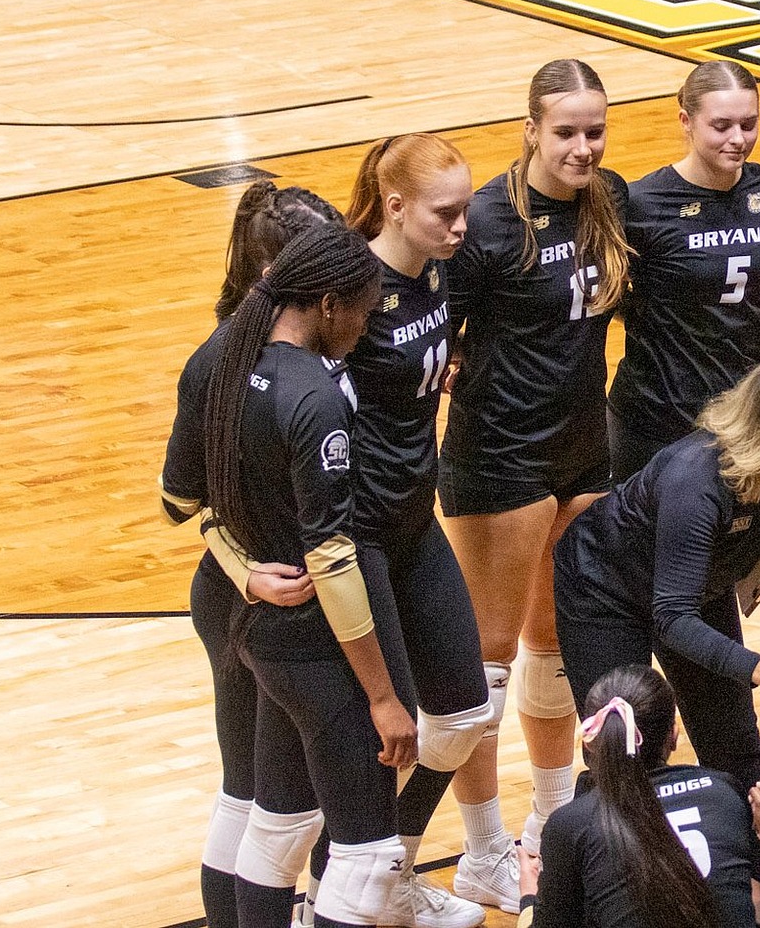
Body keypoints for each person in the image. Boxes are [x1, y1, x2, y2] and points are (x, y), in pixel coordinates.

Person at [439, 58, 633, 909]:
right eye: (566, 133)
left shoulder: (609, 199)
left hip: (581, 451)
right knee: (483, 663)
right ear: (530, 130)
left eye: (595, 131)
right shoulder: (485, 222)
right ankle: (481, 849)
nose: (583, 148)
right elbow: (433, 341)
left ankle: (551, 825)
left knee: (554, 650)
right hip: (499, 459)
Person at [199, 222, 417, 928]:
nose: (365, 326)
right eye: (363, 309)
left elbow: (185, 499)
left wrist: (239, 569)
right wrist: (383, 697)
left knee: (278, 818)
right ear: (328, 303)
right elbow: (330, 557)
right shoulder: (311, 394)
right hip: (314, 635)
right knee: (367, 854)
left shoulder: (221, 363)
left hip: (258, 623)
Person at [160, 181, 341, 928]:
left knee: (296, 795)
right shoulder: (216, 362)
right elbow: (178, 501)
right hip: (244, 597)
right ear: (275, 274)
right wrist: (242, 568)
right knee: (253, 793)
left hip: (299, 592)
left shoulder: (315, 338)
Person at [555, 356, 760, 791]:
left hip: (691, 588)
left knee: (735, 743)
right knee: (625, 749)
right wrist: (759, 668)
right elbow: (672, 617)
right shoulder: (696, 483)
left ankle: (748, 849)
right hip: (604, 589)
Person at [342, 133, 496, 927]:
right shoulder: (353, 291)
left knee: (466, 713)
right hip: (360, 534)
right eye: (445, 212)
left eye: (466, 209)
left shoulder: (440, 270)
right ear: (395, 206)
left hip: (415, 519)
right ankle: (345, 891)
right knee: (387, 733)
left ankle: (390, 873)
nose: (460, 225)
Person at [610, 61, 760, 482]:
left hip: (744, 417)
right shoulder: (643, 204)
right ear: (686, 120)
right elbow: (605, 293)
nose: (738, 139)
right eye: (721, 125)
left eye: (749, 124)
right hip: (657, 420)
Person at [520, 665, 760, 928]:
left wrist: (529, 902)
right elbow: (753, 905)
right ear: (674, 734)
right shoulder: (722, 790)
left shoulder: (571, 823)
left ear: (589, 742)